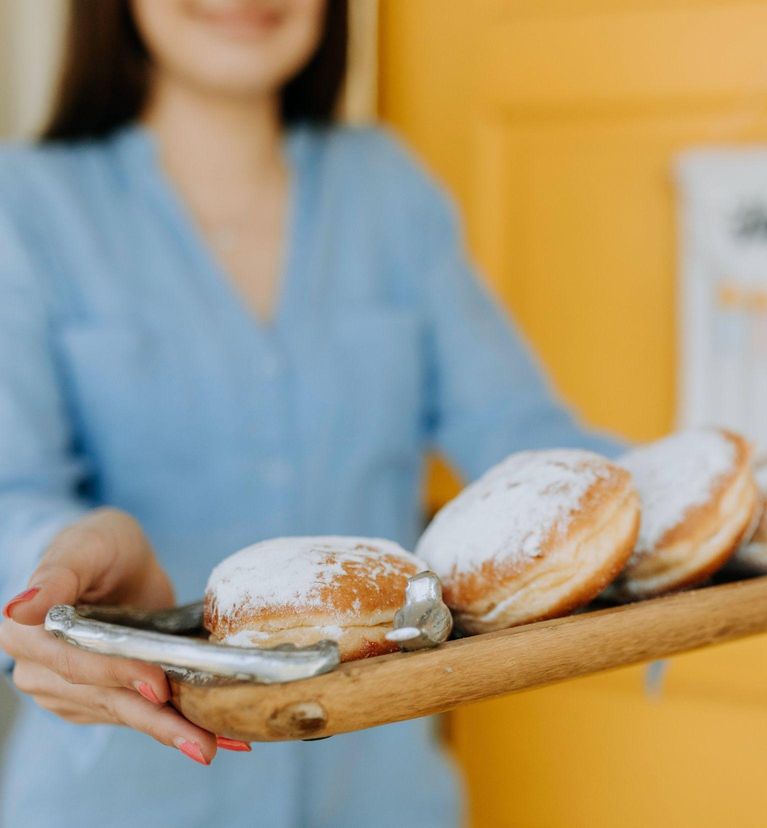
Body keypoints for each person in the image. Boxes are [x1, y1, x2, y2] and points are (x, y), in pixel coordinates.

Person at [0, 2, 620, 826]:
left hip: (383, 791)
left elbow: (531, 445)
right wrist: (57, 565)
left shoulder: (389, 192)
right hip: (124, 793)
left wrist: (749, 480)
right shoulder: (25, 206)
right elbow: (11, 486)